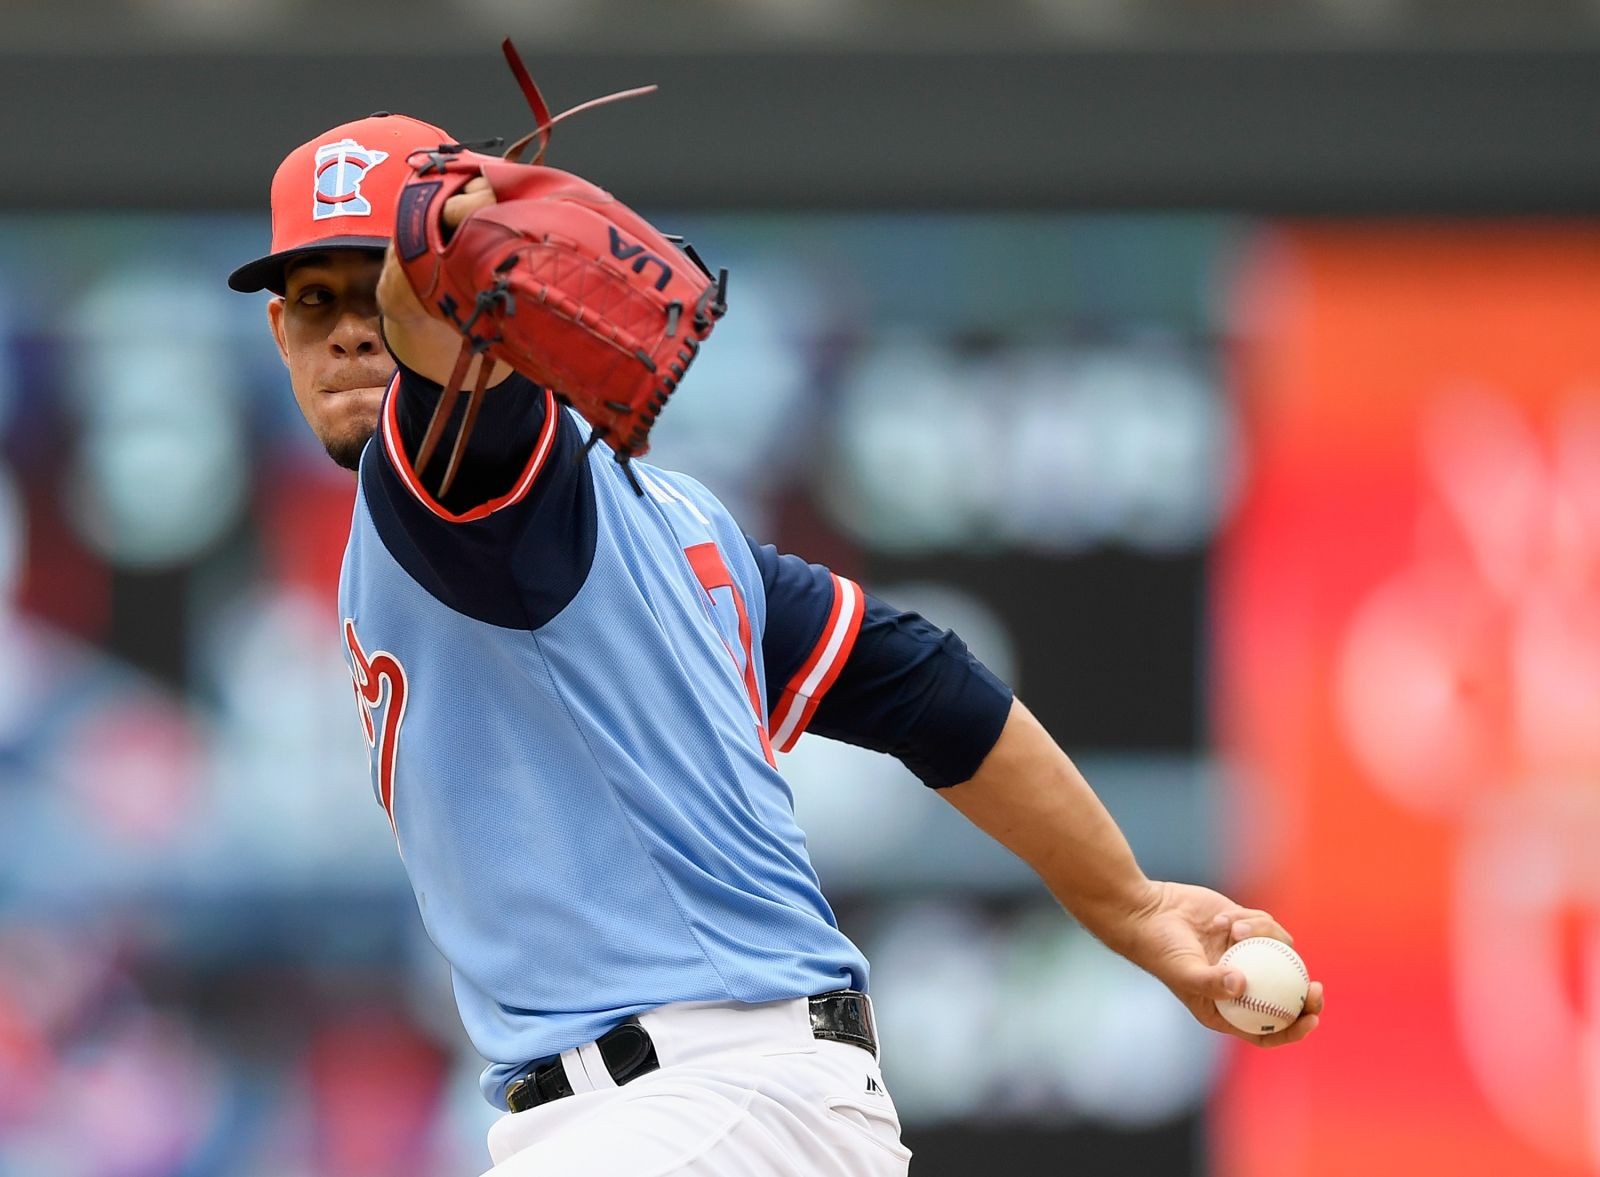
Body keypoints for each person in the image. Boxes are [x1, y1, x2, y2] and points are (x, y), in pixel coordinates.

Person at [229, 112, 1323, 1176]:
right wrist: (1129, 902)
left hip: (689, 1103)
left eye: (378, 286)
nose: (352, 330)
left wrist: (1130, 902)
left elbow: (444, 377)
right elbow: (925, 689)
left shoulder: (457, 484)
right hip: (724, 1111)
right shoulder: (686, 533)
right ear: (278, 333)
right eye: (316, 300)